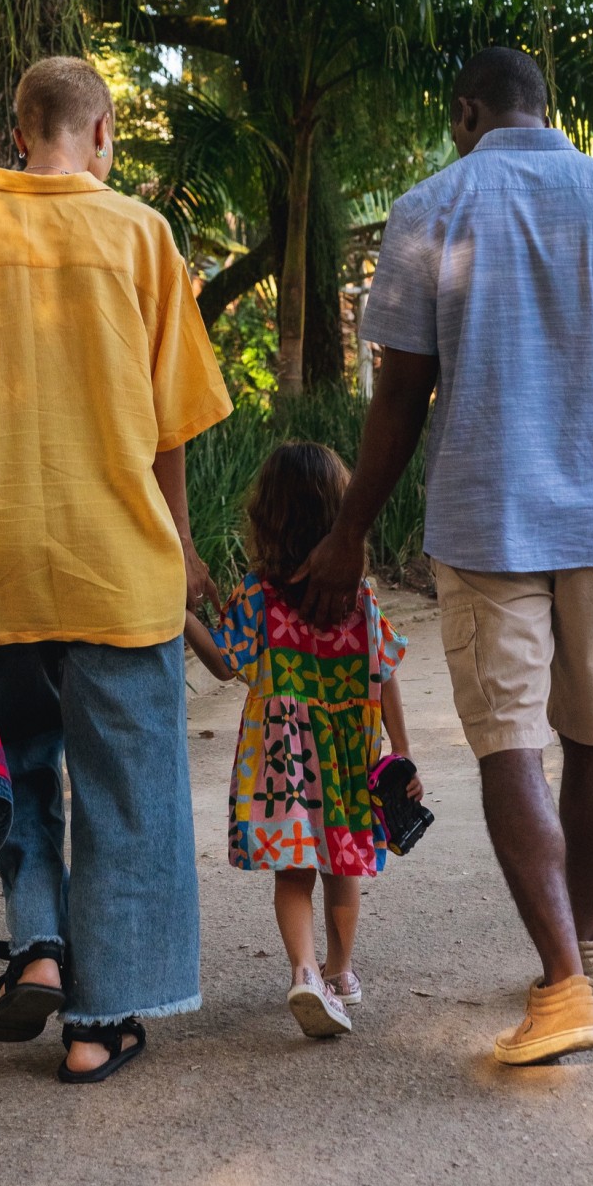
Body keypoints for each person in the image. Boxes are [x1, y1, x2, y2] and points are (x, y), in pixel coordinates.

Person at [296, 47, 593, 1065]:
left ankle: (562, 982)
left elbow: (401, 394)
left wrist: (349, 530)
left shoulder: (428, 208)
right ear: (544, 108)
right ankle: (586, 946)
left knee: (509, 747)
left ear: (467, 112)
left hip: (484, 523)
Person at [0, 55, 232, 1084]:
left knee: (16, 767)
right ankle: (98, 1022)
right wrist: (182, 545)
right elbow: (171, 425)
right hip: (118, 566)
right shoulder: (140, 234)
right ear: (104, 132)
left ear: (18, 130)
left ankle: (37, 943)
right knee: (129, 796)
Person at [183, 441, 423, 1038]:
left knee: (293, 871)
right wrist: (401, 752)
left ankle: (304, 971)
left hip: (282, 760)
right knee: (344, 863)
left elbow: (223, 663)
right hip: (346, 756)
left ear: (268, 518)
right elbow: (385, 674)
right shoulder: (358, 598)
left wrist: (179, 613)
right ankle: (341, 972)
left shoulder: (258, 595)